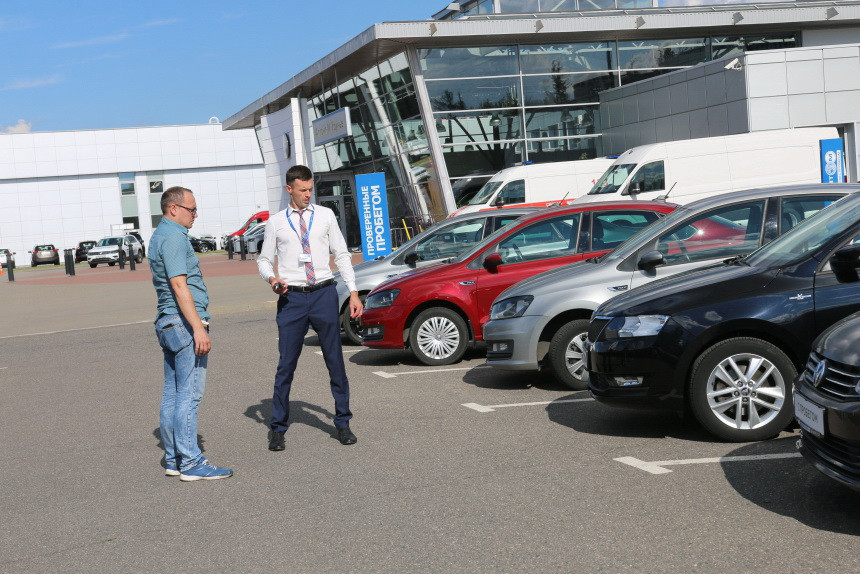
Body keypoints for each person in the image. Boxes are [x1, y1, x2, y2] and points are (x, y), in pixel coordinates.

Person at [258, 164, 363, 450]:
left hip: (324, 294)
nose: (308, 194)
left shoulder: (326, 216)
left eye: (310, 189)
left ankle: (343, 423)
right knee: (286, 366)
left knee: (335, 362)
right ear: (289, 189)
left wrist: (353, 292)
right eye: (302, 190)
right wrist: (272, 279)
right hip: (291, 298)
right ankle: (278, 428)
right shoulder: (276, 222)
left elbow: (341, 254)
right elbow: (264, 260)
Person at [149, 186, 233, 481]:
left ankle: (174, 458)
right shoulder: (173, 237)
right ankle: (191, 461)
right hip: (182, 323)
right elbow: (179, 285)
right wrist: (199, 327)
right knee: (189, 393)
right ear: (174, 208)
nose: (195, 215)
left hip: (168, 321)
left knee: (172, 393)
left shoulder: (160, 234)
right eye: (191, 209)